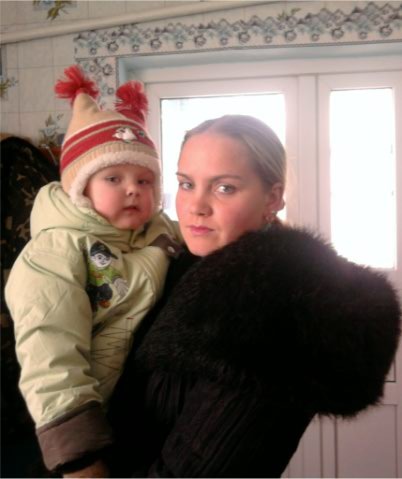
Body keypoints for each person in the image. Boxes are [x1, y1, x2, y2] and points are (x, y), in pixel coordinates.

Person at [105, 114, 401, 478]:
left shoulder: (275, 308)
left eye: (224, 188)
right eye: (186, 184)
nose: (196, 206)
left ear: (272, 197)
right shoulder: (178, 267)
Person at [4, 66, 180, 477]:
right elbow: (50, 351)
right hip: (83, 429)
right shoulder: (55, 250)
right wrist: (79, 457)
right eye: (113, 177)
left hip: (143, 424)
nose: (133, 188)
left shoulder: (159, 232)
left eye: (145, 180)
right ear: (80, 189)